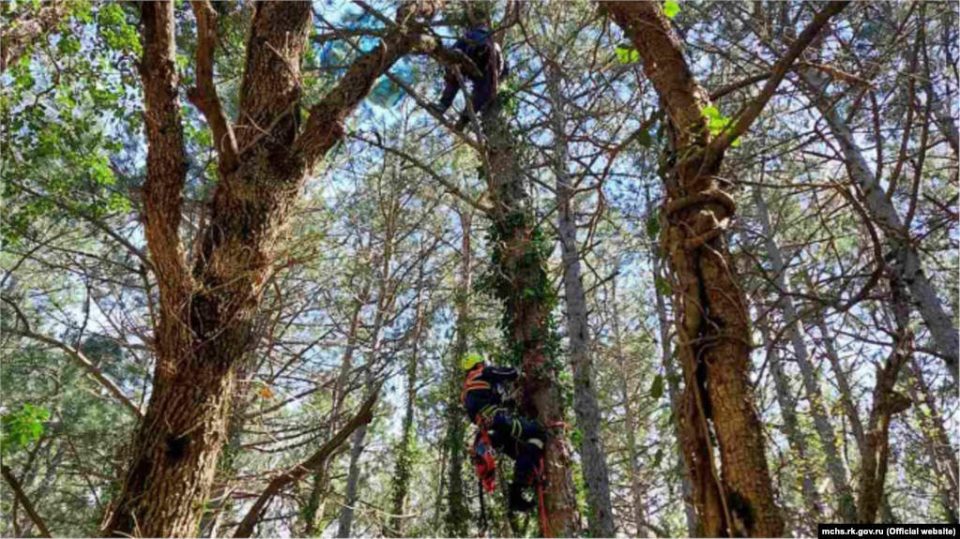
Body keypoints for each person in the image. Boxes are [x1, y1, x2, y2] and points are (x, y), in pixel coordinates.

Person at [461, 353, 545, 512]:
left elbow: (486, 406)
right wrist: (523, 369)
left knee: (522, 452)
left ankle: (516, 497)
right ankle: (519, 487)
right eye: (482, 363)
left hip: (491, 430)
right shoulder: (484, 373)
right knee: (538, 433)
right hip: (499, 422)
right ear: (479, 364)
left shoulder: (468, 388)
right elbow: (511, 373)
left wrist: (509, 402)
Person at [433, 26, 508, 129]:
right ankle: (463, 117)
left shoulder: (472, 34)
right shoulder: (493, 44)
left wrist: (450, 68)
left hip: (480, 61)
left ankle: (446, 107)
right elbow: (504, 69)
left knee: (457, 76)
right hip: (483, 65)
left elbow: (455, 49)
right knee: (482, 90)